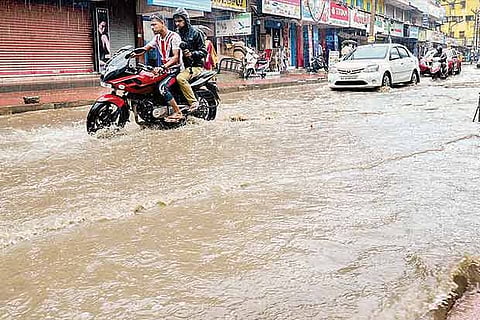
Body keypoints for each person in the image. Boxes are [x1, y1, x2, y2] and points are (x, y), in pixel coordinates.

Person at [135, 14, 184, 122]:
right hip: (165, 70)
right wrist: (131, 54)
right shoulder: (157, 38)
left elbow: (176, 57)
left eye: (154, 24)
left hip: (175, 70)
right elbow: (145, 48)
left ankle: (178, 112)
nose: (152, 27)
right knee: (148, 83)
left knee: (162, 88)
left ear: (163, 23)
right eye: (151, 25)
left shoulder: (174, 37)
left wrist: (162, 67)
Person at [173, 7, 207, 112]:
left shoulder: (196, 33)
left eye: (180, 21)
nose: (177, 23)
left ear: (186, 20)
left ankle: (193, 102)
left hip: (194, 67)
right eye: (175, 21)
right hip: (180, 66)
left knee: (180, 79)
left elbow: (204, 52)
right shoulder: (176, 34)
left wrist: (191, 54)